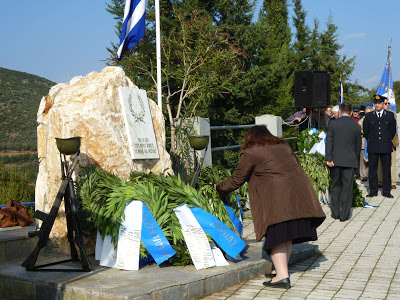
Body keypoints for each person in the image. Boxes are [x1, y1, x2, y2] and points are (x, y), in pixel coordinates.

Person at [215, 125, 325, 289]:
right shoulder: (283, 145)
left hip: (277, 198)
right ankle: (281, 270)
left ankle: (282, 277)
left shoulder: (251, 151)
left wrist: (218, 188)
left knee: (277, 234)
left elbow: (237, 179)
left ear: (250, 138)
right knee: (287, 234)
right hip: (298, 192)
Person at [326, 102, 361, 221]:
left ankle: (335, 212)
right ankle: (344, 215)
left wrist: (329, 158)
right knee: (347, 188)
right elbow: (358, 146)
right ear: (351, 113)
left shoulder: (333, 124)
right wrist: (355, 161)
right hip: (350, 161)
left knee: (335, 186)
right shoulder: (356, 126)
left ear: (340, 112)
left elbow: (328, 142)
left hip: (335, 160)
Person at [363, 95, 396, 198]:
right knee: (372, 170)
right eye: (375, 103)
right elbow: (366, 131)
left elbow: (392, 131)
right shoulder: (369, 116)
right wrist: (373, 140)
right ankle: (373, 191)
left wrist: (386, 140)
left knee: (386, 170)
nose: (377, 105)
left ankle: (386, 191)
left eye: (379, 103)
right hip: (373, 146)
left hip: (386, 146)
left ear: (383, 104)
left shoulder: (390, 116)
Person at [377, 99, 398, 189]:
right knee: (380, 163)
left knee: (392, 162)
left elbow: (394, 126)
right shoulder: (376, 114)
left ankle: (392, 182)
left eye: (387, 103)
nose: (386, 105)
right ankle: (380, 181)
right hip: (380, 142)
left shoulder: (392, 113)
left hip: (391, 141)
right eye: (385, 103)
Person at [359, 106, 373, 181]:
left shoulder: (374, 119)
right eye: (367, 113)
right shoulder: (362, 120)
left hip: (372, 143)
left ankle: (371, 174)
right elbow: (359, 128)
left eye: (369, 113)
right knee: (363, 161)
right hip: (364, 143)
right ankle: (363, 176)